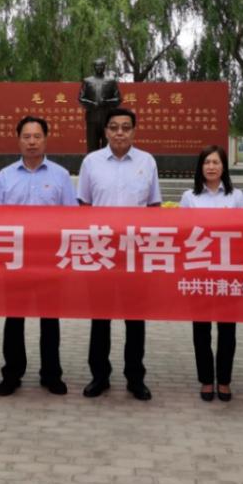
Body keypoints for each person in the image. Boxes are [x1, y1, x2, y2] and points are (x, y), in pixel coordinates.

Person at [0, 115, 78, 396]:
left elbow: (73, 218)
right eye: (26, 137)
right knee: (14, 319)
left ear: (45, 139)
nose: (31, 142)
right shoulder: (5, 176)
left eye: (37, 136)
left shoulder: (60, 175)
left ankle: (51, 374)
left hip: (49, 259)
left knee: (50, 319)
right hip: (14, 259)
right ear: (18, 140)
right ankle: (12, 373)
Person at [77, 108, 161, 401]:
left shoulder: (147, 161)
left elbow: (154, 207)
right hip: (101, 252)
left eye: (126, 127)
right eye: (114, 127)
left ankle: (135, 378)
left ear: (134, 131)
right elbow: (84, 206)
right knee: (100, 318)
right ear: (105, 132)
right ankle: (99, 376)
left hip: (135, 253)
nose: (120, 132)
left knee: (135, 319)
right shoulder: (91, 162)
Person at [179, 145, 243, 403]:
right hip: (200, 269)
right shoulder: (190, 197)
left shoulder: (237, 197)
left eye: (216, 162)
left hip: (229, 270)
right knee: (201, 328)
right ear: (200, 167)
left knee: (228, 329)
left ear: (224, 167)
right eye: (207, 162)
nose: (211, 167)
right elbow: (183, 232)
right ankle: (206, 379)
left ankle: (224, 380)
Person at [78, 58, 121, 153]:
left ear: (104, 67)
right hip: (92, 118)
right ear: (94, 67)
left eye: (101, 65)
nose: (99, 67)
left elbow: (118, 99)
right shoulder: (87, 81)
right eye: (97, 65)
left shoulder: (111, 81)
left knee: (108, 147)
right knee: (92, 146)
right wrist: (92, 104)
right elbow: (81, 98)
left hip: (107, 119)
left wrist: (107, 102)